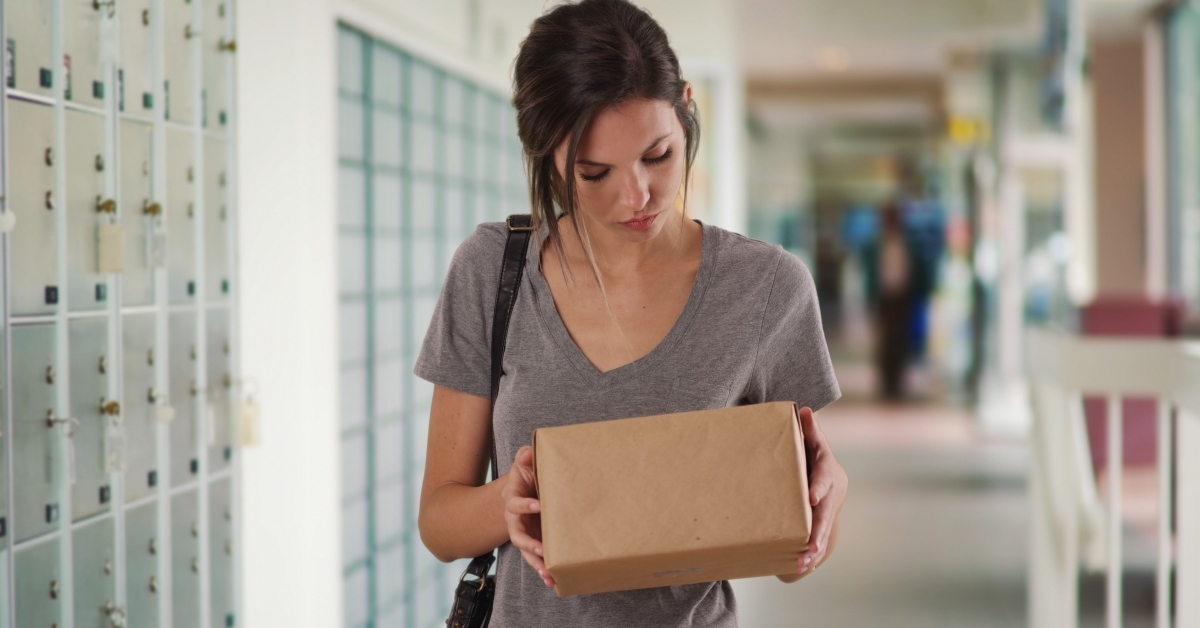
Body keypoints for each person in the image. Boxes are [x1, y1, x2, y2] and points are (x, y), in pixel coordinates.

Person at [414, 1, 849, 625]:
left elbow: (791, 553)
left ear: (686, 107)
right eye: (594, 174)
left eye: (658, 155)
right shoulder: (492, 271)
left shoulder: (767, 288)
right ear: (547, 159)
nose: (636, 196)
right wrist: (504, 506)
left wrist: (826, 501)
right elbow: (439, 523)